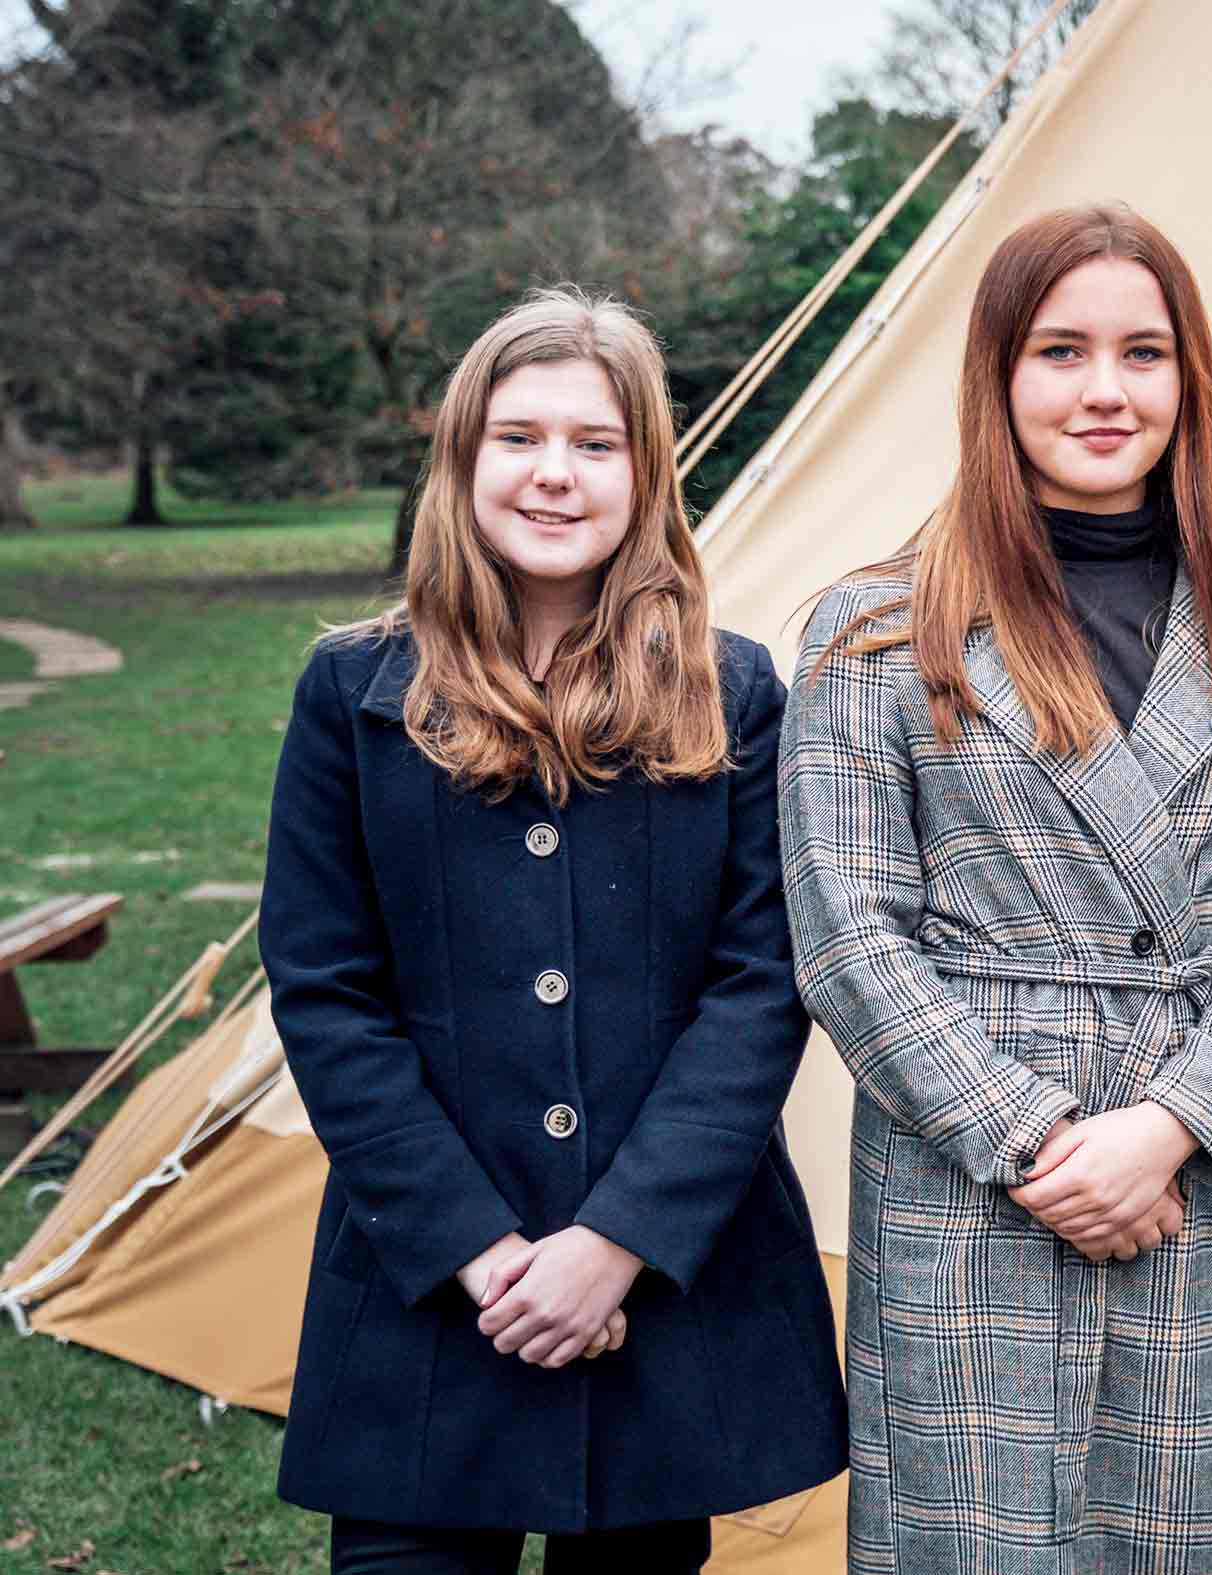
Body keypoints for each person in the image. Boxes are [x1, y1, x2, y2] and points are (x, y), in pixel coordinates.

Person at [781, 203, 1212, 1575]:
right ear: (996, 376)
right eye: (1061, 350)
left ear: (1186, 379)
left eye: (1142, 352)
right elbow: (847, 931)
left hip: (1191, 1168)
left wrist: (1169, 1124)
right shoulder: (871, 630)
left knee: (1200, 1534)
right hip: (968, 1182)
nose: (1105, 389)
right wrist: (1042, 1143)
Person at [260, 287, 848, 1574]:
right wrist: (479, 1254)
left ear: (647, 472)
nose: (554, 474)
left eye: (596, 443)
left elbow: (761, 988)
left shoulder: (733, 694)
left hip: (662, 1283)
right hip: (426, 1278)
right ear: (463, 458)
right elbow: (324, 991)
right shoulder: (354, 693)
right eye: (518, 437)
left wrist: (614, 1244)